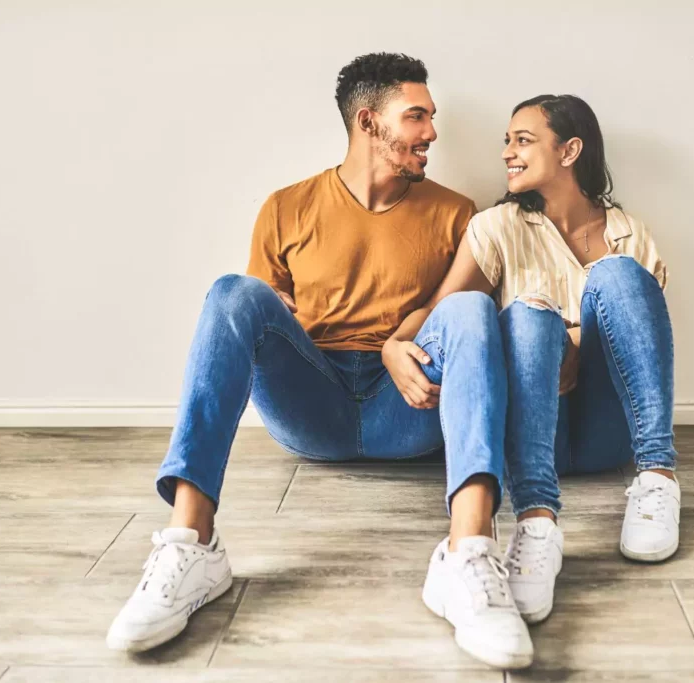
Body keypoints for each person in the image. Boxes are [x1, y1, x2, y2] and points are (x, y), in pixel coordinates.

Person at [106, 53, 534, 670]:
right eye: (416, 116)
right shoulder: (286, 206)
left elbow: (451, 316)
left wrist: (399, 345)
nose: (432, 133)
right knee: (233, 291)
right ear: (368, 121)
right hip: (315, 403)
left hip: (409, 404)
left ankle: (469, 551)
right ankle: (192, 543)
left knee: (470, 308)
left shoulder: (454, 212)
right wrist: (276, 312)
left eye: (432, 117)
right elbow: (257, 319)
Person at [404, 94, 679, 628]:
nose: (508, 152)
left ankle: (658, 478)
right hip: (533, 435)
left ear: (570, 150)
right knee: (529, 312)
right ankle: (536, 524)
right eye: (507, 141)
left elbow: (643, 341)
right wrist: (395, 343)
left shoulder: (629, 234)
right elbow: (447, 313)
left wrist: (575, 341)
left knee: (618, 275)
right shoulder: (496, 227)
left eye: (523, 140)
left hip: (607, 431)